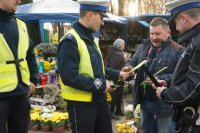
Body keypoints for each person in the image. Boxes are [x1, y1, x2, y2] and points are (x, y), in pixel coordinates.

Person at [56, 0, 127, 133]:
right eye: (101, 17)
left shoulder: (91, 40)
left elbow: (98, 69)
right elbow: (69, 77)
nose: (102, 22)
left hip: (98, 101)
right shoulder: (70, 40)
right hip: (81, 106)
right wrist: (100, 85)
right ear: (90, 15)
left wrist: (118, 74)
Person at [122, 17, 184, 133]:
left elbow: (180, 76)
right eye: (151, 33)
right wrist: (128, 69)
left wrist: (160, 79)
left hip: (166, 105)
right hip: (145, 103)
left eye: (158, 34)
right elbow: (133, 62)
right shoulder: (144, 46)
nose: (154, 37)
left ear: (168, 32)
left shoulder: (178, 50)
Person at [154, 0, 200, 132]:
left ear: (183, 18)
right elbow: (191, 77)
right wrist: (169, 83)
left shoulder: (197, 43)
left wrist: (165, 94)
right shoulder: (194, 40)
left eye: (175, 23)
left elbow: (193, 90)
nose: (176, 28)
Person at [0, 0, 38, 132]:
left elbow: (30, 54)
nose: (19, 1)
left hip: (21, 94)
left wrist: (33, 80)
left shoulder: (21, 25)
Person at [108, 38, 126, 119]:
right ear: (120, 45)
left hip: (119, 78)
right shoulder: (117, 54)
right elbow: (113, 67)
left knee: (119, 95)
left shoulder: (116, 52)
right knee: (116, 95)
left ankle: (118, 110)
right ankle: (111, 112)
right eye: (123, 44)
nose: (124, 46)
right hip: (117, 79)